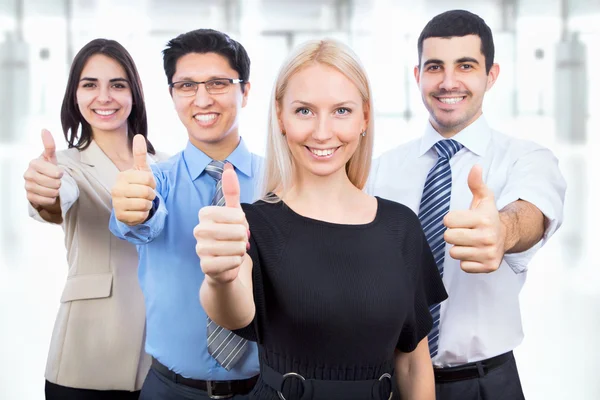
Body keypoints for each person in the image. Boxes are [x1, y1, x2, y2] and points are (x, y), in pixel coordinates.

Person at [194, 38, 448, 400]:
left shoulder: (401, 227)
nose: (323, 132)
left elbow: (412, 362)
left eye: (341, 111)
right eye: (304, 111)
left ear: (365, 116)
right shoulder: (251, 224)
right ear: (280, 117)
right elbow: (234, 313)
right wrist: (219, 277)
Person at [368, 10, 567, 400]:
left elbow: (531, 212)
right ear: (417, 75)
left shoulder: (526, 159)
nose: (448, 82)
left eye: (465, 66)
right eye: (435, 67)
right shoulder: (379, 171)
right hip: (390, 380)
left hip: (484, 385)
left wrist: (502, 230)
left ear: (490, 76)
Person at [109, 29, 261, 399]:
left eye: (218, 83)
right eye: (187, 86)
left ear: (245, 90)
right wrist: (135, 210)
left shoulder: (281, 183)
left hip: (265, 388)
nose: (203, 99)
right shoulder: (152, 181)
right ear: (172, 95)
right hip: (170, 389)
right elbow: (140, 219)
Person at [23, 38, 167, 399]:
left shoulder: (167, 165)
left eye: (117, 85)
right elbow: (57, 200)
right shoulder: (66, 167)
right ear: (75, 96)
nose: (104, 97)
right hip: (87, 356)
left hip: (159, 357)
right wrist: (46, 194)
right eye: (90, 85)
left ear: (134, 94)